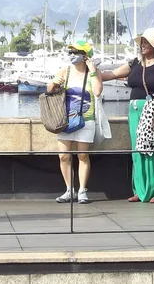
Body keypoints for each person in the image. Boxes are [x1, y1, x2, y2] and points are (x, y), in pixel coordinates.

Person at [101, 28, 154, 203]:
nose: (142, 45)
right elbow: (111, 75)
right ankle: (141, 190)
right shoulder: (134, 63)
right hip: (135, 109)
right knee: (138, 150)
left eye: (146, 42)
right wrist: (90, 71)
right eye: (142, 42)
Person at [46, 40, 103, 204]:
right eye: (70, 52)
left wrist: (92, 71)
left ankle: (82, 190)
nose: (72, 55)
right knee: (64, 156)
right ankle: (69, 190)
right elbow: (49, 89)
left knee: (82, 155)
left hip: (86, 119)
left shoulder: (94, 72)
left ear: (85, 55)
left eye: (76, 52)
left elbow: (98, 91)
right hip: (66, 119)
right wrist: (54, 84)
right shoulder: (66, 70)